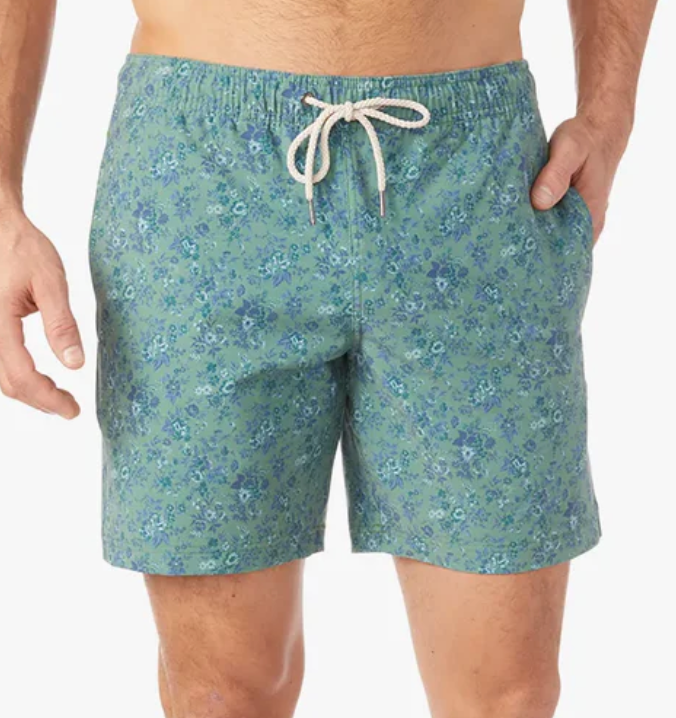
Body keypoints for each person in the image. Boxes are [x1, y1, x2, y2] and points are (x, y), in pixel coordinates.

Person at [0, 1, 658, 716]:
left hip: (475, 174)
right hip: (201, 179)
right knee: (222, 693)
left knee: (508, 695)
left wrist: (610, 110)